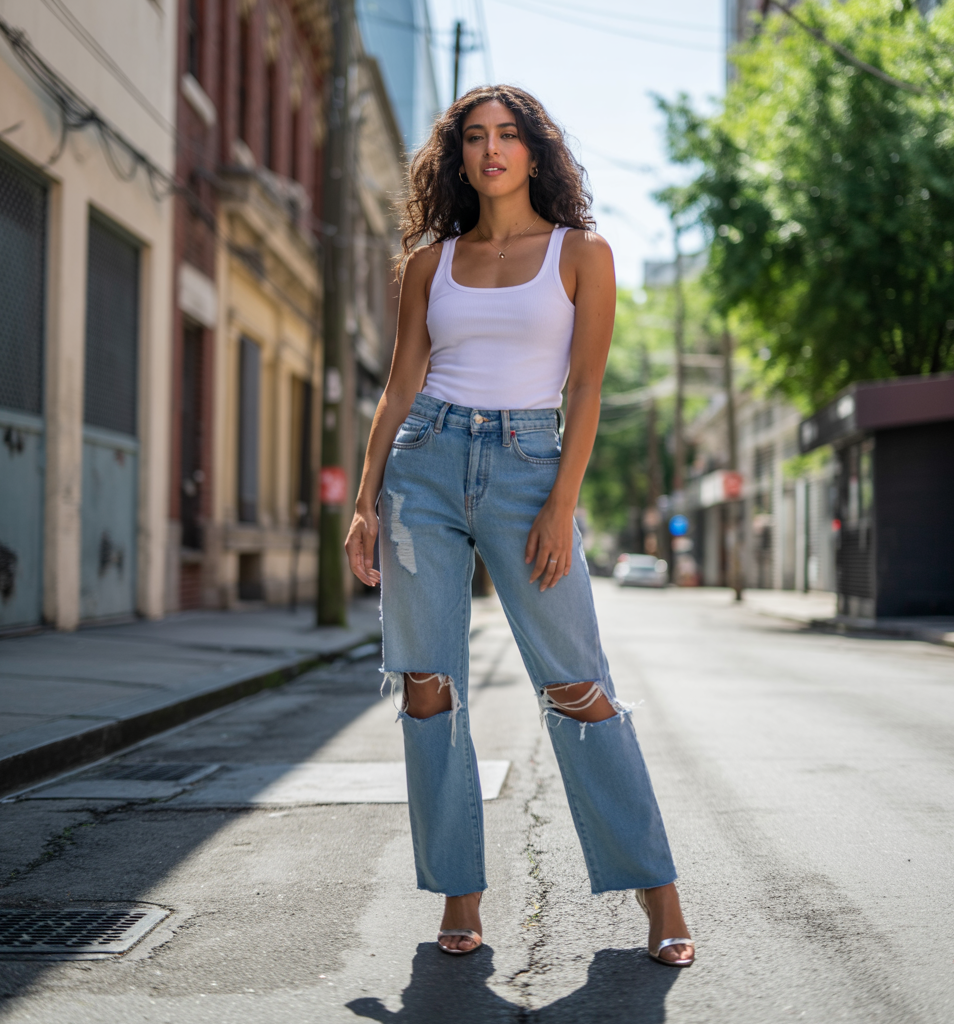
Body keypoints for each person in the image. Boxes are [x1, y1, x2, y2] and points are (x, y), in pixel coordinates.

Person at [344, 85, 694, 968]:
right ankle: (460, 895)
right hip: (424, 467)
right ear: (457, 156)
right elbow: (399, 387)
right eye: (474, 137)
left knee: (577, 684)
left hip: (531, 466)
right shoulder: (429, 263)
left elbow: (586, 387)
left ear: (535, 152)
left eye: (508, 135)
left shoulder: (582, 254)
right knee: (427, 685)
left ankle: (659, 894)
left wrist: (561, 503)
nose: (491, 149)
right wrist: (362, 499)